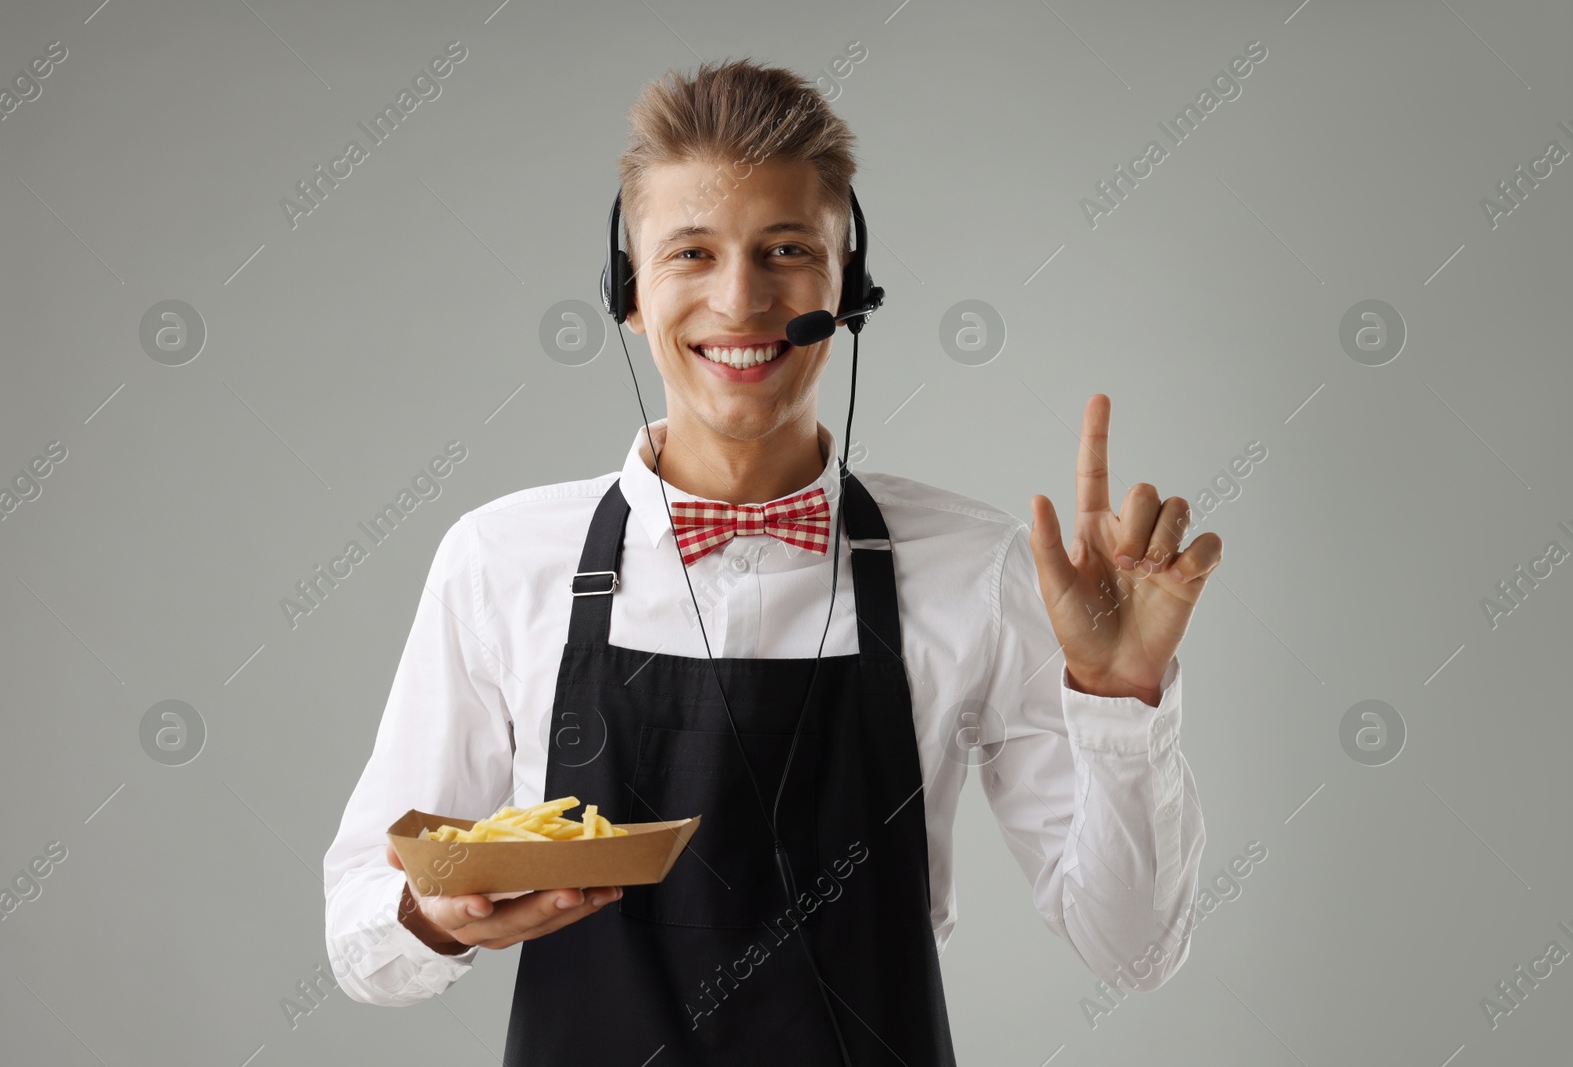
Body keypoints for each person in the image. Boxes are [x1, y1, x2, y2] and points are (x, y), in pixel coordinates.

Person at [323, 57, 1219, 1064]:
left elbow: (1133, 949)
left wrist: (1119, 692)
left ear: (847, 289)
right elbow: (362, 938)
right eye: (691, 253)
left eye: (784, 249)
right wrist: (438, 912)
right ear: (629, 293)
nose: (740, 301)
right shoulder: (500, 560)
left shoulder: (979, 567)